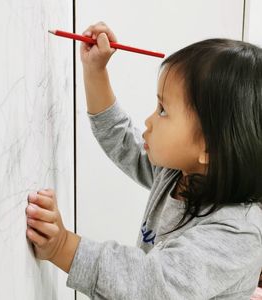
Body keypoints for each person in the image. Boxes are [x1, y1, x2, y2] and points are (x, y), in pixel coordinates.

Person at [25, 22, 262, 299]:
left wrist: (63, 247)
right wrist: (95, 70)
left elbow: (151, 284)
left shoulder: (237, 234)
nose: (149, 120)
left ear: (209, 147)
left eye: (163, 110)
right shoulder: (178, 173)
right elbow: (122, 141)